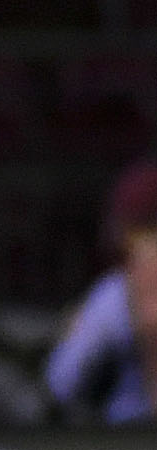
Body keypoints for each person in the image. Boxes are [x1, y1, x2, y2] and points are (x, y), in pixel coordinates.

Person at [45, 159, 157, 425]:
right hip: (129, 440)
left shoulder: (115, 295)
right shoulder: (115, 295)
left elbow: (61, 382)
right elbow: (62, 382)